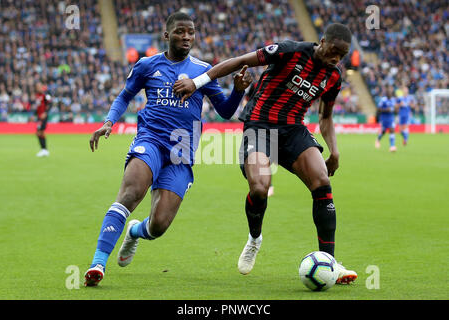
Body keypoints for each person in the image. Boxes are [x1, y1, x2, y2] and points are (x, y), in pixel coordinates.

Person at [174, 23, 357, 284]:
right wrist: (197, 81)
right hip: (260, 125)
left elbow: (326, 117)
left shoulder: (333, 77)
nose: (337, 58)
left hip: (293, 129)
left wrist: (335, 152)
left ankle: (330, 262)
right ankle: (254, 239)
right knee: (259, 188)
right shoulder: (289, 51)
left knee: (322, 183)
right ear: (323, 41)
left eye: (343, 54)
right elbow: (239, 61)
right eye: (334, 50)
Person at [84, 12, 252, 286]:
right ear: (166, 35)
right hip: (150, 140)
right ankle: (98, 264)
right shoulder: (147, 65)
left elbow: (225, 111)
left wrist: (237, 91)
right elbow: (125, 95)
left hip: (182, 152)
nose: (186, 37)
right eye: (180, 32)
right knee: (131, 192)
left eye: (191, 32)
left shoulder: (203, 71)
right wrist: (108, 122)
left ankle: (135, 232)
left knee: (159, 225)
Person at [375, 86, 397, 152]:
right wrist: (386, 110)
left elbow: (394, 109)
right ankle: (378, 140)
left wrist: (395, 109)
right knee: (383, 131)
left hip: (391, 117)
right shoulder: (383, 100)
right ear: (386, 93)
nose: (389, 93)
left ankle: (392, 146)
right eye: (388, 92)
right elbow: (378, 109)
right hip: (384, 118)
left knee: (392, 129)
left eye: (390, 92)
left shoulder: (393, 99)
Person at [34, 83, 50, 157]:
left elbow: (49, 104)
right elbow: (38, 107)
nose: (38, 88)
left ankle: (44, 150)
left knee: (40, 132)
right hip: (39, 116)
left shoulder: (45, 96)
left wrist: (45, 113)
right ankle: (44, 150)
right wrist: (34, 114)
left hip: (43, 116)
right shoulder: (37, 96)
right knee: (38, 133)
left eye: (39, 87)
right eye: (37, 87)